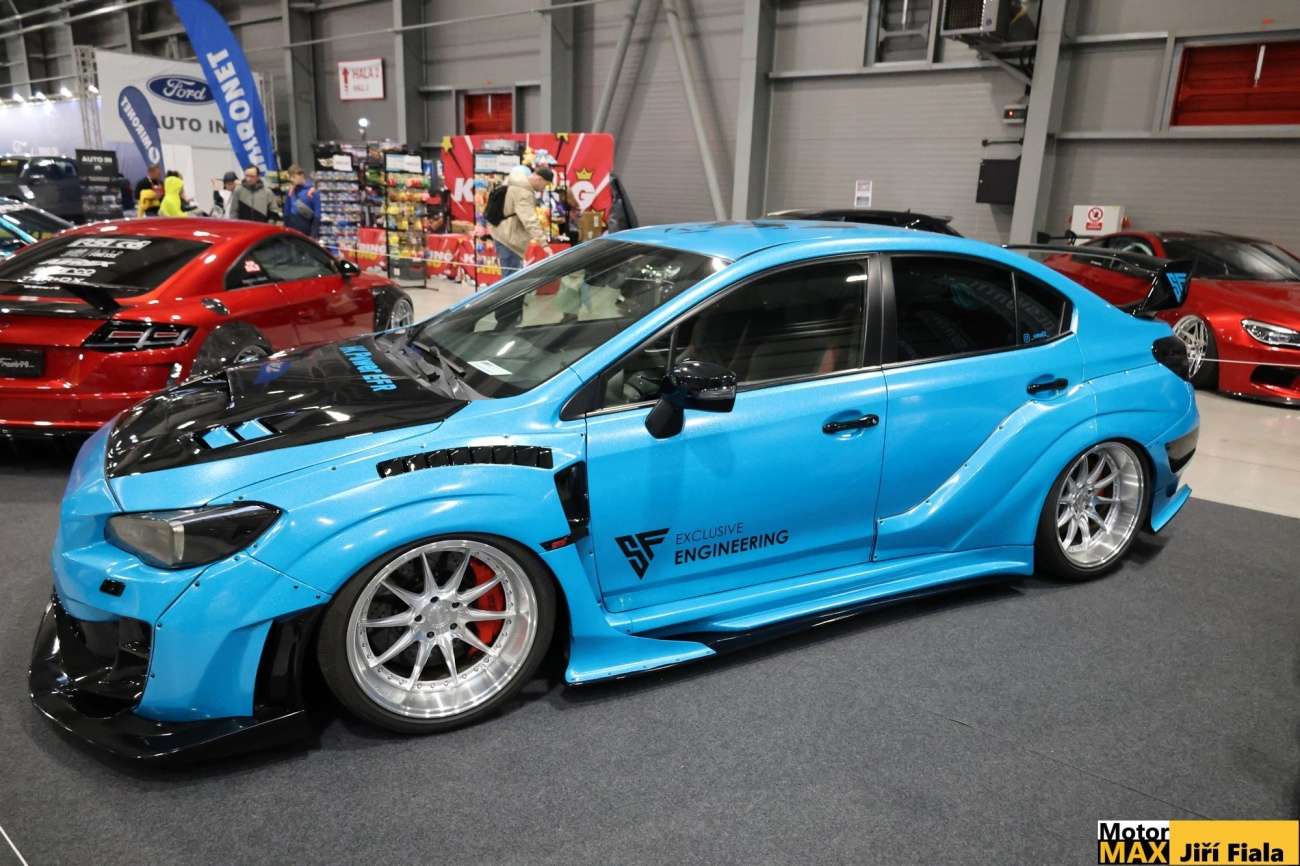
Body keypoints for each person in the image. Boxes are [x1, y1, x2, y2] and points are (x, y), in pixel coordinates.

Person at [490, 166, 552, 275]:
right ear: (539, 179)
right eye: (545, 184)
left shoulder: (516, 182)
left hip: (503, 234)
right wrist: (544, 244)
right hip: (510, 240)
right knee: (511, 279)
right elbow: (530, 220)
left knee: (510, 275)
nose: (544, 189)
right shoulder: (524, 192)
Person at [283, 164, 321, 238]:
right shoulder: (291, 191)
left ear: (301, 175)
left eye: (293, 177)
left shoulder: (312, 191)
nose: (291, 180)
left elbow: (317, 215)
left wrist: (313, 235)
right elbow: (286, 212)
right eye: (290, 177)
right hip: (292, 233)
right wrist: (286, 231)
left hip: (307, 232)